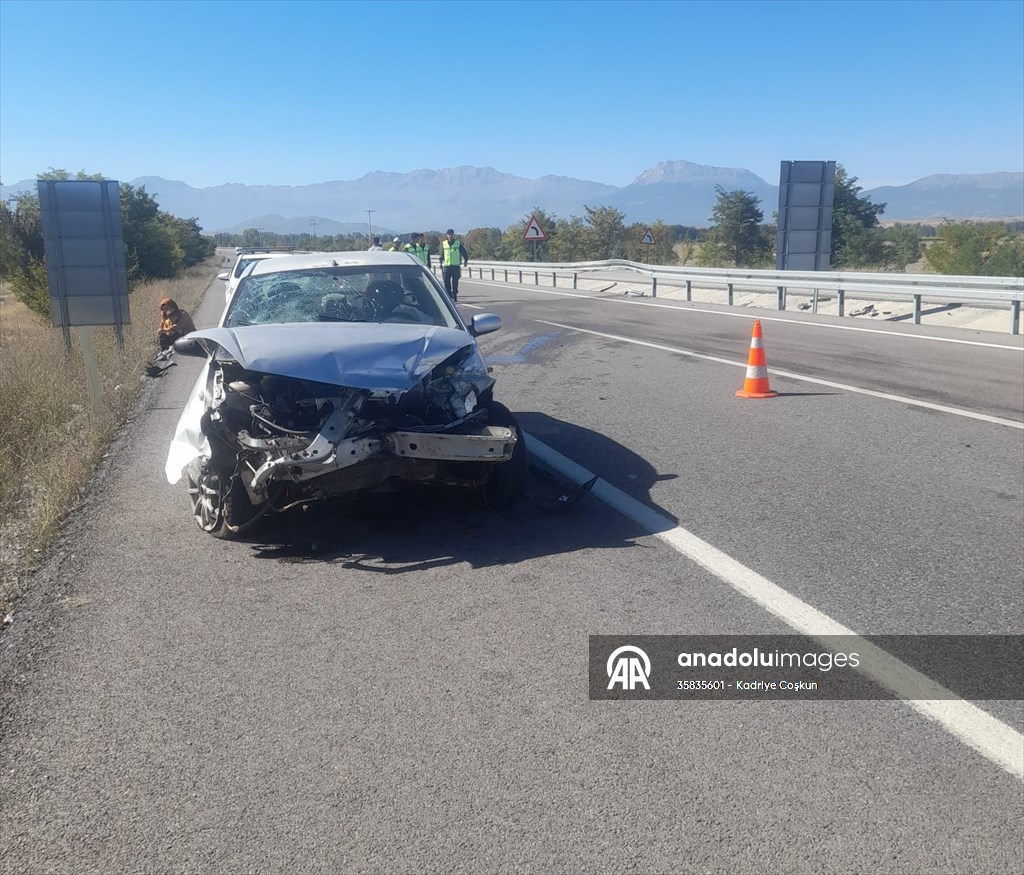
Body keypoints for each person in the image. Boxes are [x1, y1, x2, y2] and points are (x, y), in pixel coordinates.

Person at [440, 228, 469, 301]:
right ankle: (449, 295)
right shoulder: (444, 243)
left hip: (455, 266)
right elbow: (442, 254)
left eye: (451, 235)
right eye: (449, 235)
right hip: (447, 266)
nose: (450, 236)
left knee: (455, 282)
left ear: (453, 235)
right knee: (446, 282)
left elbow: (464, 252)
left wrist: (466, 260)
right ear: (447, 235)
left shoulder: (457, 243)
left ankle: (455, 296)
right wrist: (440, 262)